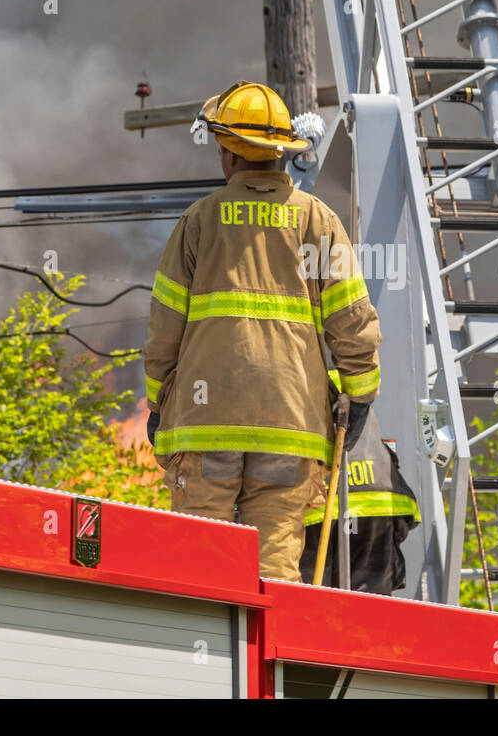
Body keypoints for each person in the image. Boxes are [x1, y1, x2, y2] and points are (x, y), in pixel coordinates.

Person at [141, 80, 381, 582]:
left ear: (229, 156)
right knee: (274, 570)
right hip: (291, 427)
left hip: (204, 424)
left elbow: (164, 329)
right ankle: (270, 661)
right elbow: (353, 323)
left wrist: (159, 403)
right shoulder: (318, 221)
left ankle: (205, 657)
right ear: (283, 156)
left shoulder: (198, 222)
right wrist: (359, 398)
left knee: (202, 567)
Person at [299, 375, 420, 594]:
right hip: (379, 502)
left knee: (312, 605)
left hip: (318, 509)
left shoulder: (304, 374)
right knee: (369, 609)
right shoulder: (352, 376)